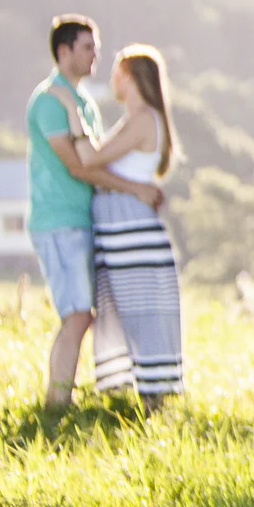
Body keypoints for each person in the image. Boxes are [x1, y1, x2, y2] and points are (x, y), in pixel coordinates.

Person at [27, 17, 162, 407]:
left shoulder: (82, 102)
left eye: (96, 47)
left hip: (82, 219)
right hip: (59, 220)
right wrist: (135, 188)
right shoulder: (51, 101)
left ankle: (65, 399)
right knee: (77, 315)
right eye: (87, 47)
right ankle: (56, 405)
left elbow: (96, 158)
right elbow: (79, 166)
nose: (95, 55)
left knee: (84, 314)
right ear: (64, 50)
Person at [78, 44, 184, 399]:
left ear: (131, 77)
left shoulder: (142, 120)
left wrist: (69, 109)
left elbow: (91, 159)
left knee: (141, 312)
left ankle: (153, 394)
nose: (111, 79)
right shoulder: (137, 119)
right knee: (127, 309)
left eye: (117, 72)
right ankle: (134, 393)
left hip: (129, 226)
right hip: (120, 224)